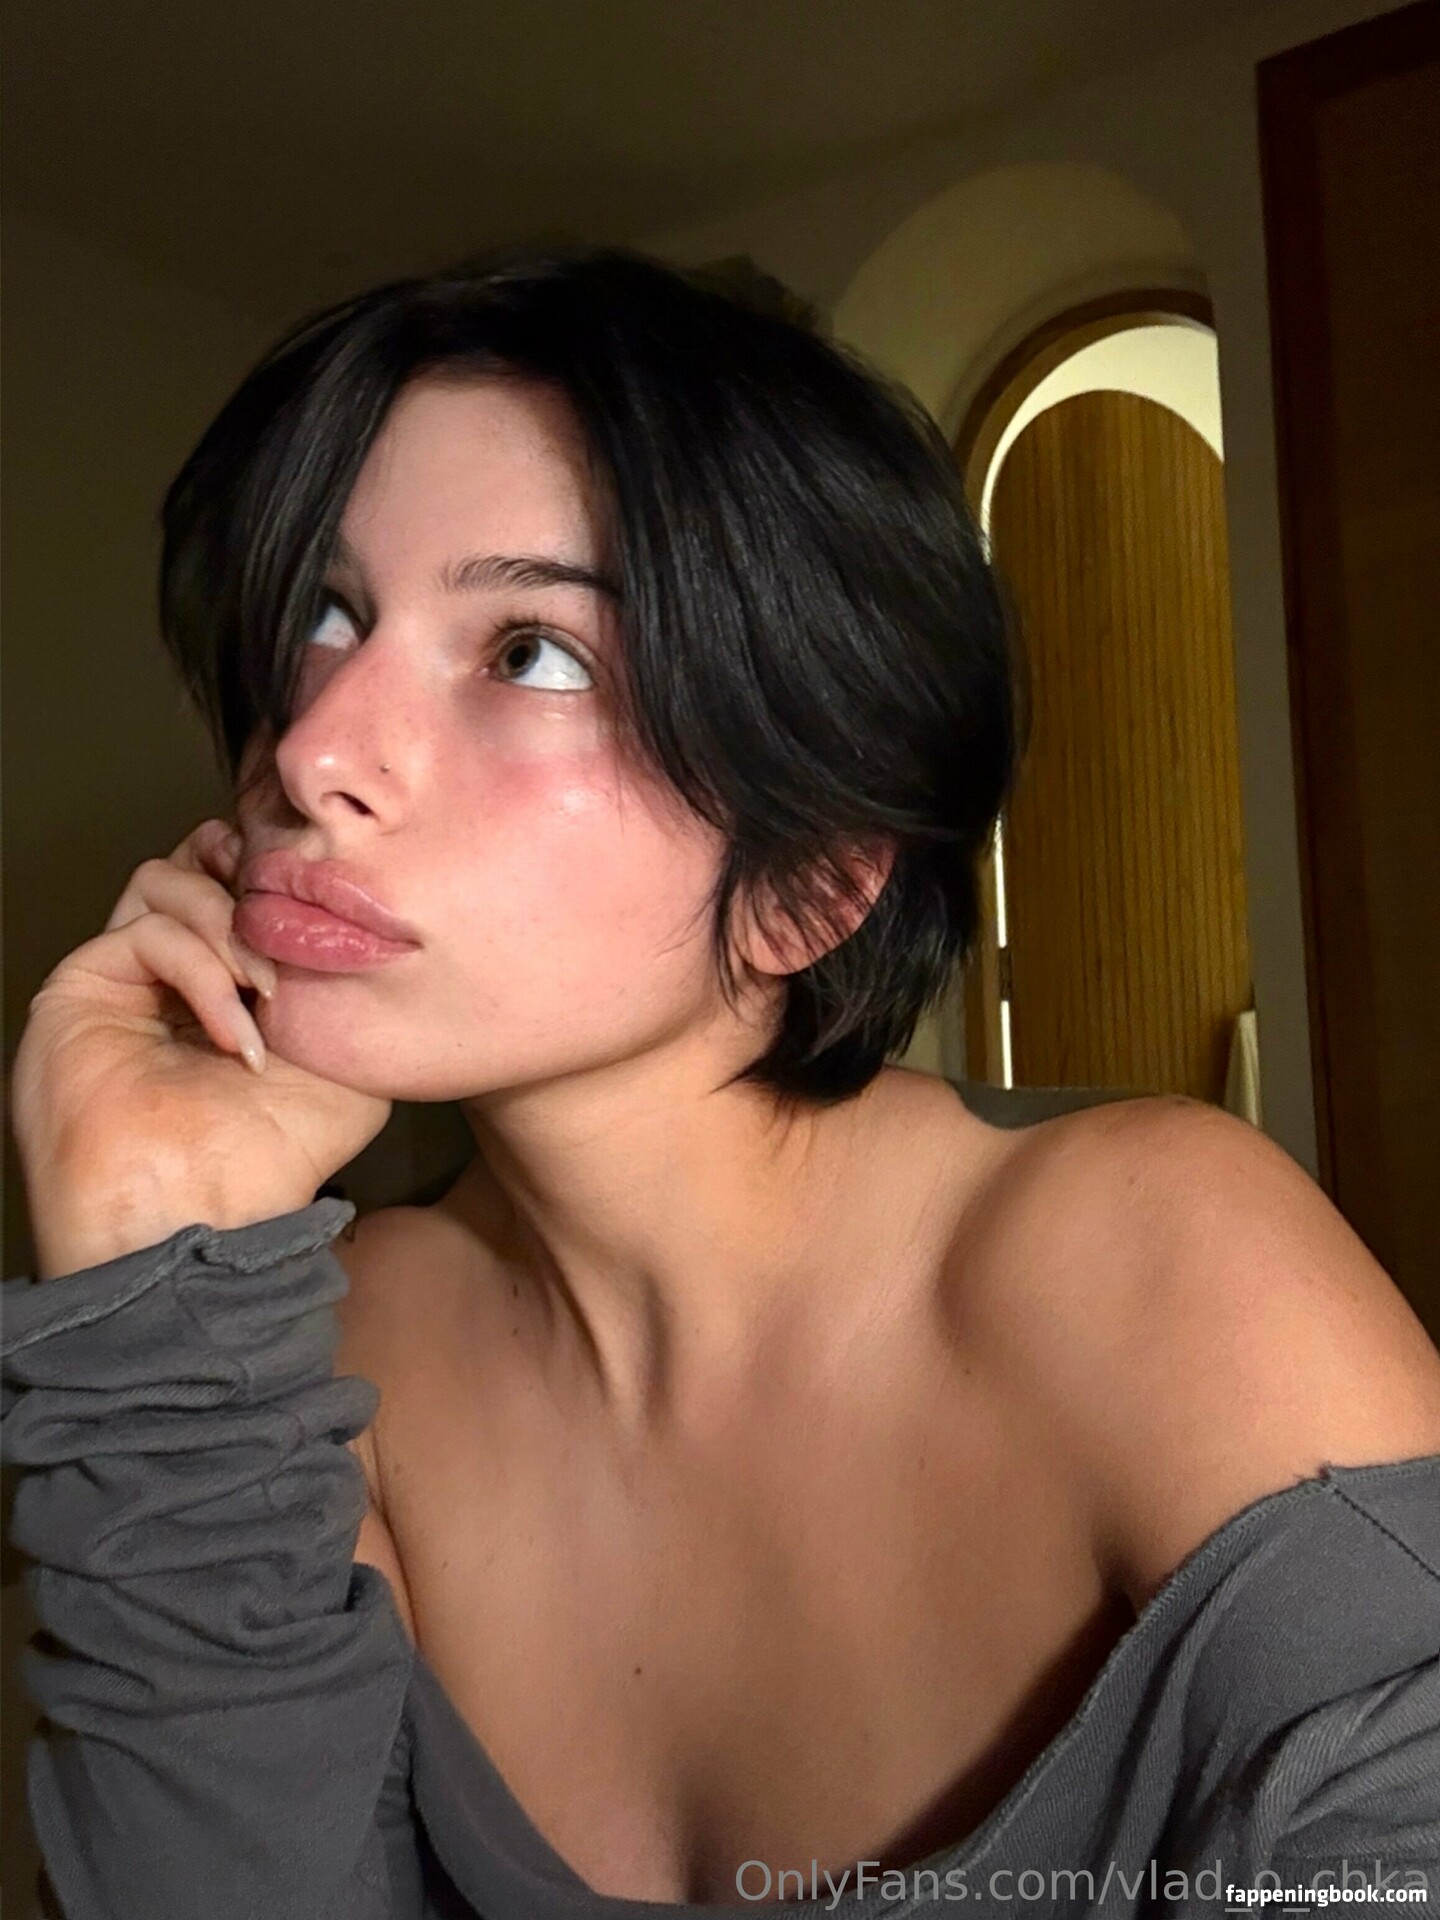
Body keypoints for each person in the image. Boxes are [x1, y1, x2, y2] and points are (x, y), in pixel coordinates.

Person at [4, 244, 1439, 1920]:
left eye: (530, 651)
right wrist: (154, 1265)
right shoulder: (327, 1353)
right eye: (330, 615)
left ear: (812, 886)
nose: (313, 747)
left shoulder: (1156, 1265)